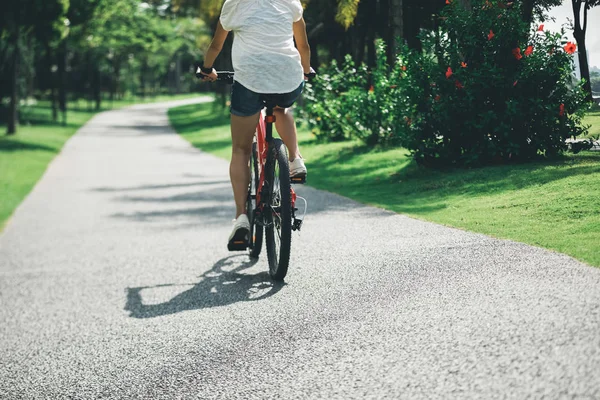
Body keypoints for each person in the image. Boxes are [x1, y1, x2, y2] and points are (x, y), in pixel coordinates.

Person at [199, 0, 314, 250]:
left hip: (249, 79)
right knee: (281, 109)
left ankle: (241, 218)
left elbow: (216, 44)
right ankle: (295, 159)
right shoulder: (290, 2)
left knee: (240, 150)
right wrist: (306, 71)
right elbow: (303, 45)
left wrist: (207, 68)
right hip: (288, 77)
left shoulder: (234, 4)